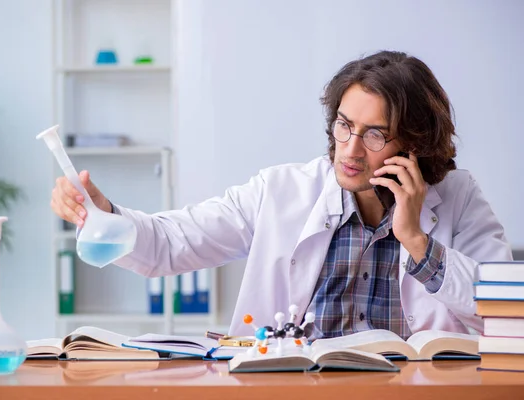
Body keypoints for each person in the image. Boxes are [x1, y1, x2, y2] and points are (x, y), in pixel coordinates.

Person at [50, 50, 513, 338]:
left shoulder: (458, 198)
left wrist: (416, 241)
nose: (349, 150)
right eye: (345, 126)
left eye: (375, 135)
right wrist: (105, 213)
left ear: (412, 142)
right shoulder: (282, 190)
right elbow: (175, 243)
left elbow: (506, 316)